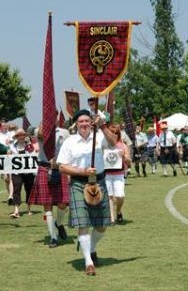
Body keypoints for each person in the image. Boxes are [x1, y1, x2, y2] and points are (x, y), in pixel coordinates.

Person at [57, 109, 117, 276]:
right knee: (83, 224)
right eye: (81, 121)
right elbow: (62, 166)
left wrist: (103, 126)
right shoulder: (70, 142)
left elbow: (114, 142)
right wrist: (81, 171)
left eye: (87, 121)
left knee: (102, 226)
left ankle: (91, 248)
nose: (84, 124)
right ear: (76, 124)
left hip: (99, 183)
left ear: (91, 122)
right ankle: (88, 262)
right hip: (78, 183)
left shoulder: (99, 138)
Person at [28, 120, 70, 248]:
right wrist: (44, 124)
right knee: (47, 205)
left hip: (60, 168)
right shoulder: (39, 131)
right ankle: (53, 237)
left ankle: (59, 223)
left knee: (63, 204)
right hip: (44, 167)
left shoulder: (64, 132)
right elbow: (38, 134)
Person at [104, 123, 131, 224]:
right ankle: (111, 218)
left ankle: (118, 211)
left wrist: (124, 156)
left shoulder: (123, 146)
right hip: (106, 174)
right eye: (111, 133)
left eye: (116, 133)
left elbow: (129, 162)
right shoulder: (103, 145)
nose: (114, 135)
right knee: (109, 196)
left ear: (118, 135)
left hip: (119, 174)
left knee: (120, 196)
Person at [9, 128, 35, 217]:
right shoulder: (12, 146)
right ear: (16, 137)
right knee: (16, 189)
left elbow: (33, 153)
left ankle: (29, 209)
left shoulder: (29, 145)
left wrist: (29, 144)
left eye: (23, 135)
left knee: (29, 189)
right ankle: (16, 210)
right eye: (19, 135)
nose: (21, 137)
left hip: (28, 171)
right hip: (17, 171)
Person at [0, 119, 14, 205]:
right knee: (6, 178)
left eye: (6, 125)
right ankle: (9, 195)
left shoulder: (11, 134)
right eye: (3, 125)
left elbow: (16, 140)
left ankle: (11, 196)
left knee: (11, 176)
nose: (5, 126)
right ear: (0, 126)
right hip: (1, 158)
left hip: (11, 156)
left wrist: (11, 141)